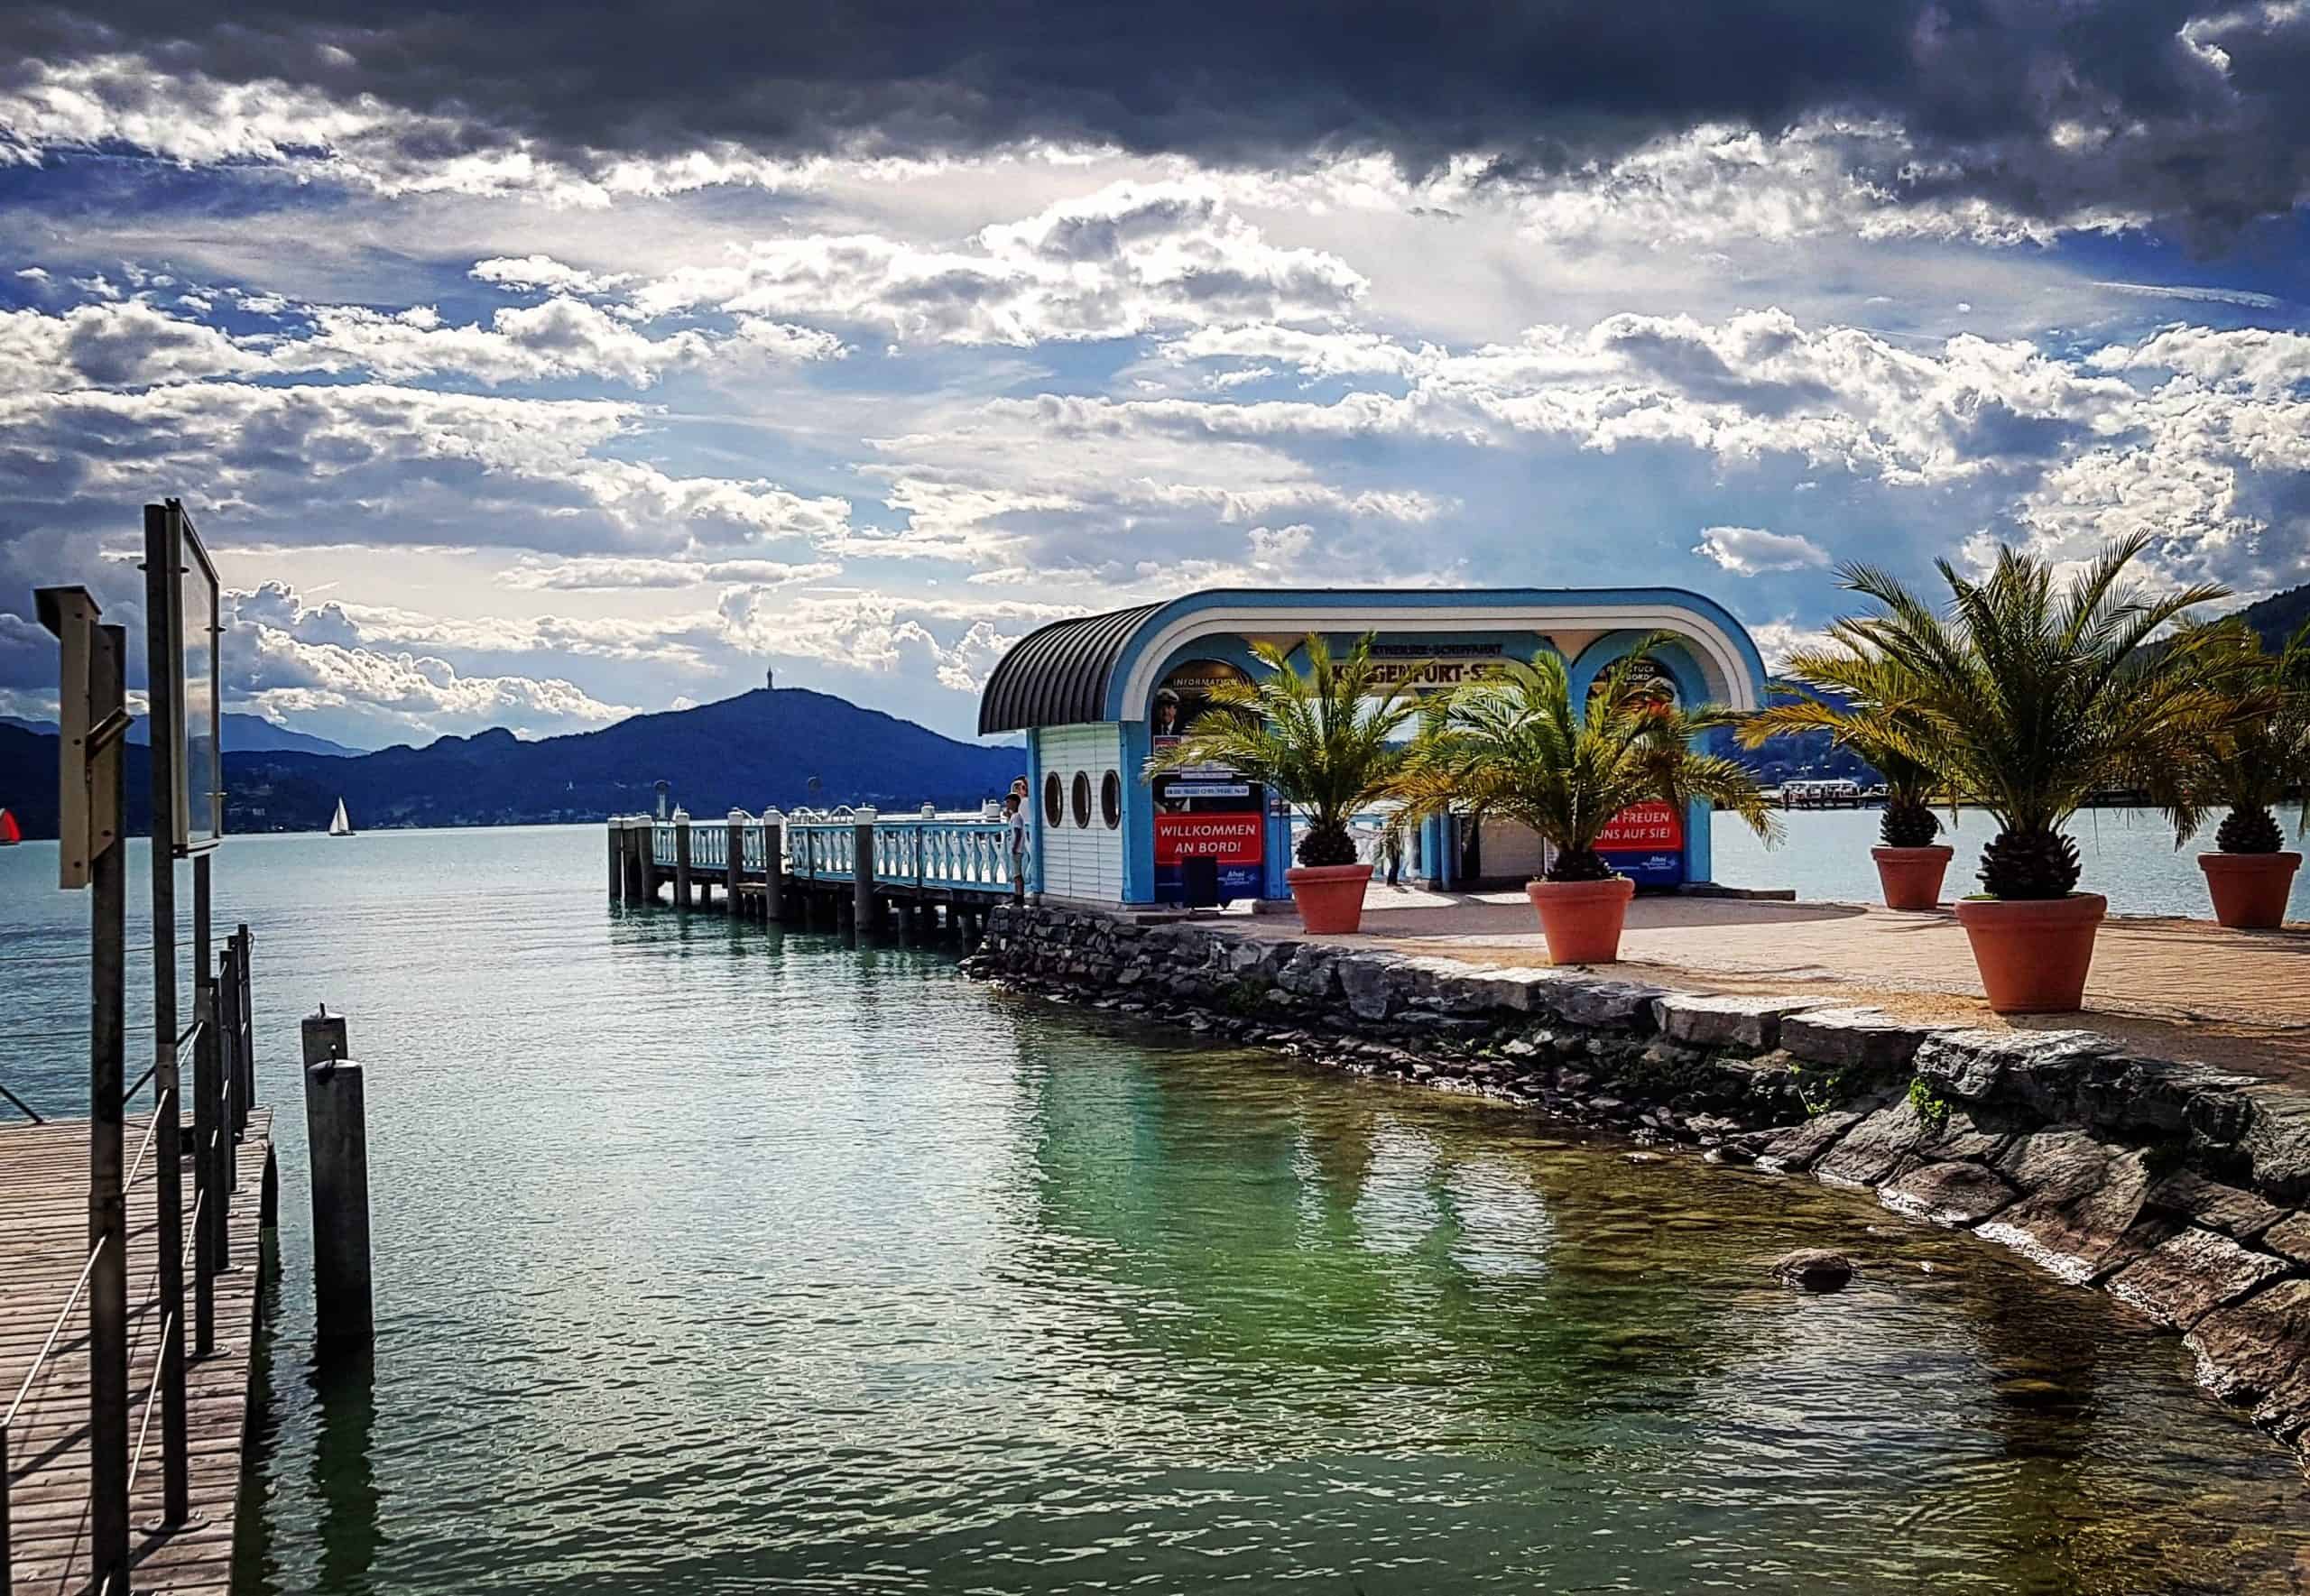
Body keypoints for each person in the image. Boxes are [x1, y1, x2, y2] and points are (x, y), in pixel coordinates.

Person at [1003, 792, 1030, 901]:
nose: (1007, 805)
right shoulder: (1015, 816)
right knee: (1015, 873)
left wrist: (1014, 846)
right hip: (1016, 848)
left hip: (1017, 849)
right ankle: (1018, 894)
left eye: (1008, 802)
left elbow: (1018, 833)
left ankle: (1019, 895)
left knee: (1017, 874)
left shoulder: (1017, 816)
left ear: (1014, 802)